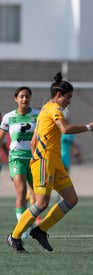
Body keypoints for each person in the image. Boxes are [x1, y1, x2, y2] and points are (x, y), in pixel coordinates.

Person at [6, 72, 93, 253]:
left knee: (72, 199)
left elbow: (34, 139)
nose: (69, 101)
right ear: (58, 95)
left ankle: (40, 231)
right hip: (44, 162)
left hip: (54, 162)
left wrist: (37, 152)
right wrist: (88, 127)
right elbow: (64, 128)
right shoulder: (54, 108)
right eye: (68, 97)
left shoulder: (45, 109)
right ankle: (14, 237)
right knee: (41, 203)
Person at [0, 87, 41, 234]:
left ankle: (29, 223)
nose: (24, 99)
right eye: (21, 96)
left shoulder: (38, 115)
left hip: (34, 160)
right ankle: (22, 230)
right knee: (22, 191)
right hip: (16, 158)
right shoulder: (8, 117)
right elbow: (1, 138)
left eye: (27, 96)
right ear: (16, 99)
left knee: (38, 197)